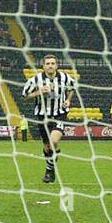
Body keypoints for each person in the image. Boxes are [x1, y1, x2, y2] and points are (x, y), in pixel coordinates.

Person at [22, 54, 77, 184]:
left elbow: (72, 87)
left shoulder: (64, 77)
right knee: (47, 147)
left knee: (54, 140)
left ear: (56, 65)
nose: (50, 66)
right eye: (48, 63)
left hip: (59, 114)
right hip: (42, 115)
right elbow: (24, 95)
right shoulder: (36, 79)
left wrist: (68, 100)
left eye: (53, 63)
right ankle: (51, 168)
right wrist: (38, 92)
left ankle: (49, 170)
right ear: (43, 66)